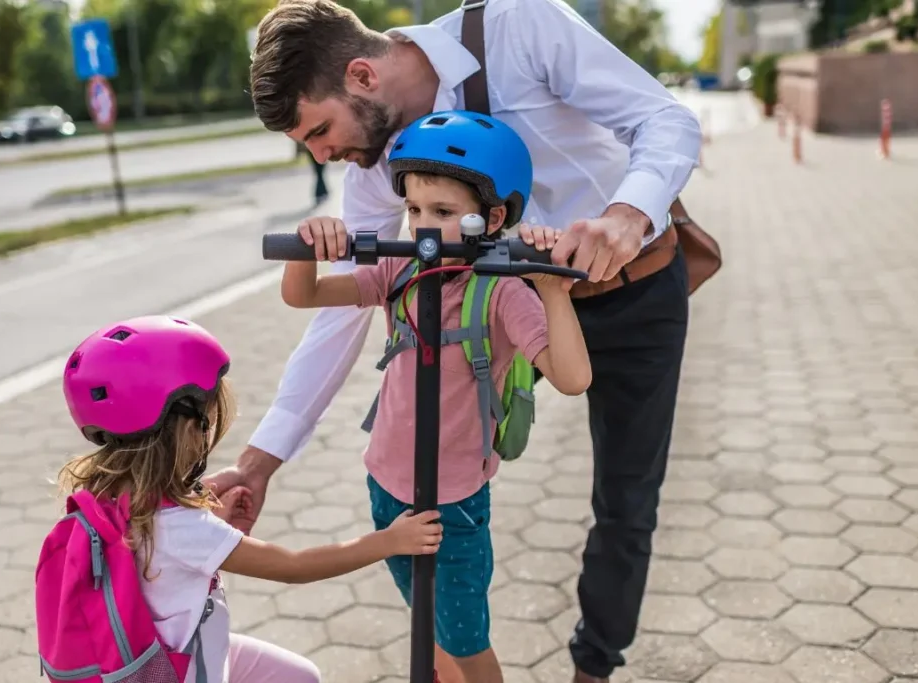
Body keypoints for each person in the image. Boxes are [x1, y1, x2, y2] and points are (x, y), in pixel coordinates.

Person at [217, 0, 703, 680]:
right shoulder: (373, 168)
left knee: (625, 501)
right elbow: (342, 310)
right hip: (505, 303)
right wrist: (261, 462)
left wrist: (627, 213)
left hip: (633, 287)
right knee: (440, 449)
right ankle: (453, 641)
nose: (324, 155)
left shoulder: (518, 28)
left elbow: (667, 119)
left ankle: (594, 663)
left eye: (320, 131)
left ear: (361, 75)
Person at [278, 110, 591, 683]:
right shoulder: (399, 269)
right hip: (387, 485)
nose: (422, 225)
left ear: (492, 218)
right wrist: (308, 246)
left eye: (443, 213)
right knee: (427, 623)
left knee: (465, 641)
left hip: (453, 505)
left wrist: (552, 289)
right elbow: (307, 295)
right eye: (415, 210)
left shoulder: (502, 292)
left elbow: (572, 378)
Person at [57, 315, 443, 683]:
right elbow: (294, 566)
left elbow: (164, 555)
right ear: (188, 428)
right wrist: (390, 541)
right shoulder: (183, 528)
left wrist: (215, 521)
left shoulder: (106, 497)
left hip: (173, 649)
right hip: (185, 669)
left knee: (299, 677)